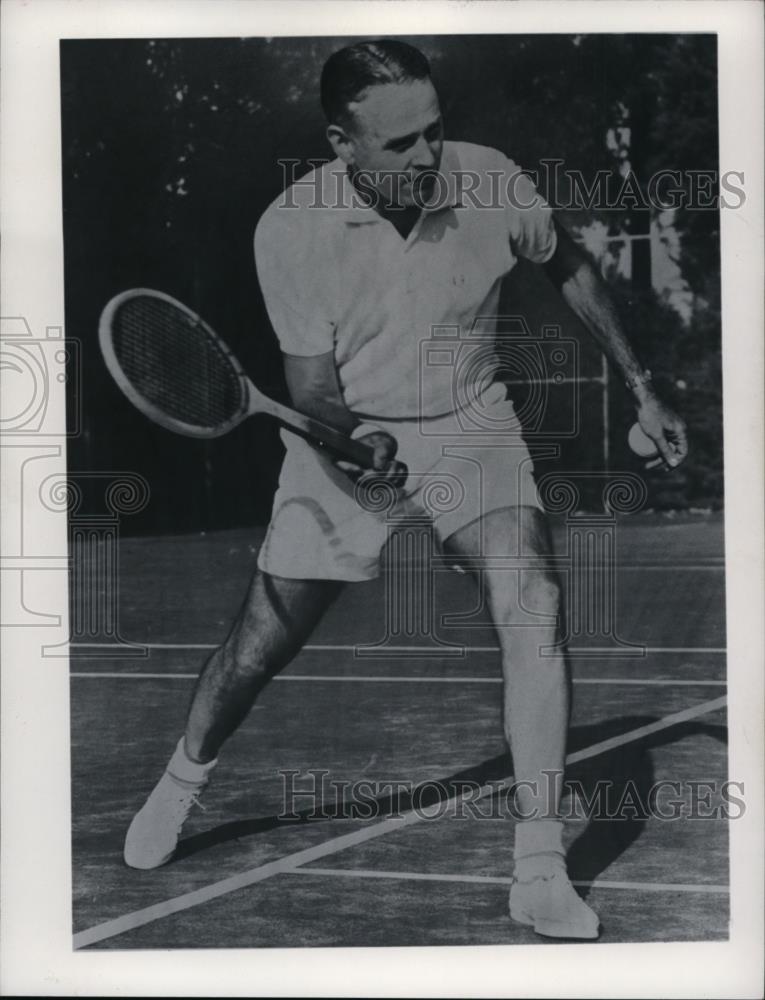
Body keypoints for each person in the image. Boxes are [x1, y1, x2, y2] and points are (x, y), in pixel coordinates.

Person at [124, 39, 688, 940]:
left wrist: (643, 386)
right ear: (342, 144)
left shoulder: (488, 180)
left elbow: (570, 266)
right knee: (257, 647)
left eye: (435, 131)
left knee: (533, 598)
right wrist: (357, 445)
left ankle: (539, 869)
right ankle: (183, 779)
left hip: (471, 421)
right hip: (342, 440)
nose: (428, 157)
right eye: (400, 145)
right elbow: (310, 393)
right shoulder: (290, 228)